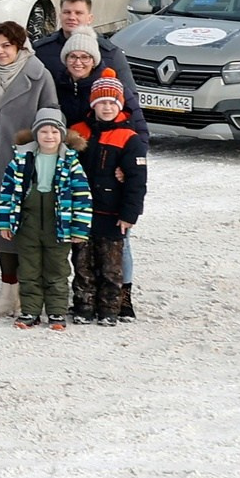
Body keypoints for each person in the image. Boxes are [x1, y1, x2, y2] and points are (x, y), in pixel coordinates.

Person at [0, 21, 49, 322]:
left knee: (26, 229)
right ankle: (8, 290)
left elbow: (51, 117)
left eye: (7, 46)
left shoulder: (39, 74)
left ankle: (28, 292)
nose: (0, 52)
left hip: (26, 165)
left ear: (19, 46)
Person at [0, 108, 91, 330]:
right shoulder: (21, 159)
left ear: (62, 135)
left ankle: (56, 312)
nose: (49, 136)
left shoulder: (70, 162)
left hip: (58, 225)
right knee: (28, 270)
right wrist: (5, 222)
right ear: (36, 134)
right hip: (28, 224)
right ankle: (30, 311)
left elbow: (82, 196)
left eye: (55, 132)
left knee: (57, 270)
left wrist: (79, 228)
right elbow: (7, 192)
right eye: (44, 131)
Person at [72, 71, 146, 324]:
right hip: (82, 210)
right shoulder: (78, 132)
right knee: (83, 260)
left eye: (112, 102)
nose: (106, 107)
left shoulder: (129, 138)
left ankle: (112, 307)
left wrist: (129, 213)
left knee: (111, 263)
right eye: (101, 102)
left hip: (112, 211)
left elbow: (137, 180)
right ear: (93, 104)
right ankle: (84, 304)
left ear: (120, 105)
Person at [34, 0, 139, 117]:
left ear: (89, 18)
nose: (72, 17)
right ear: (60, 16)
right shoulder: (42, 51)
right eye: (67, 12)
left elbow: (130, 99)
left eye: (78, 13)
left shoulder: (109, 54)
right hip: (54, 125)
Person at [49, 27, 108, 130]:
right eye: (72, 56)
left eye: (84, 57)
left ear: (93, 61)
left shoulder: (108, 86)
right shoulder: (57, 84)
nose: (78, 62)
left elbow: (132, 118)